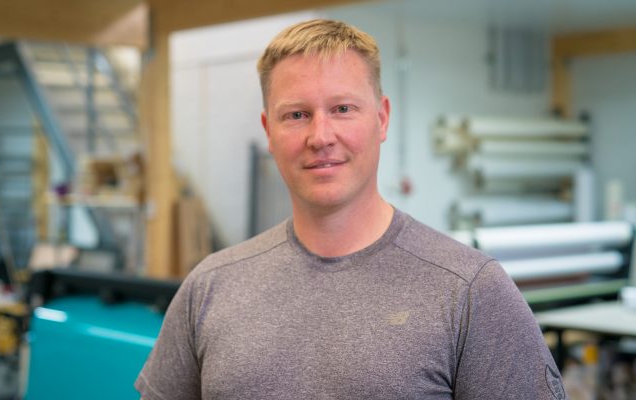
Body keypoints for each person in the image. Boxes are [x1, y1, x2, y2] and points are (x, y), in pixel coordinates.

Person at [136, 19, 566, 399]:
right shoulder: (210, 287)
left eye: (342, 109)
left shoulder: (470, 291)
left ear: (382, 118)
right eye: (297, 115)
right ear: (269, 130)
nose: (320, 136)